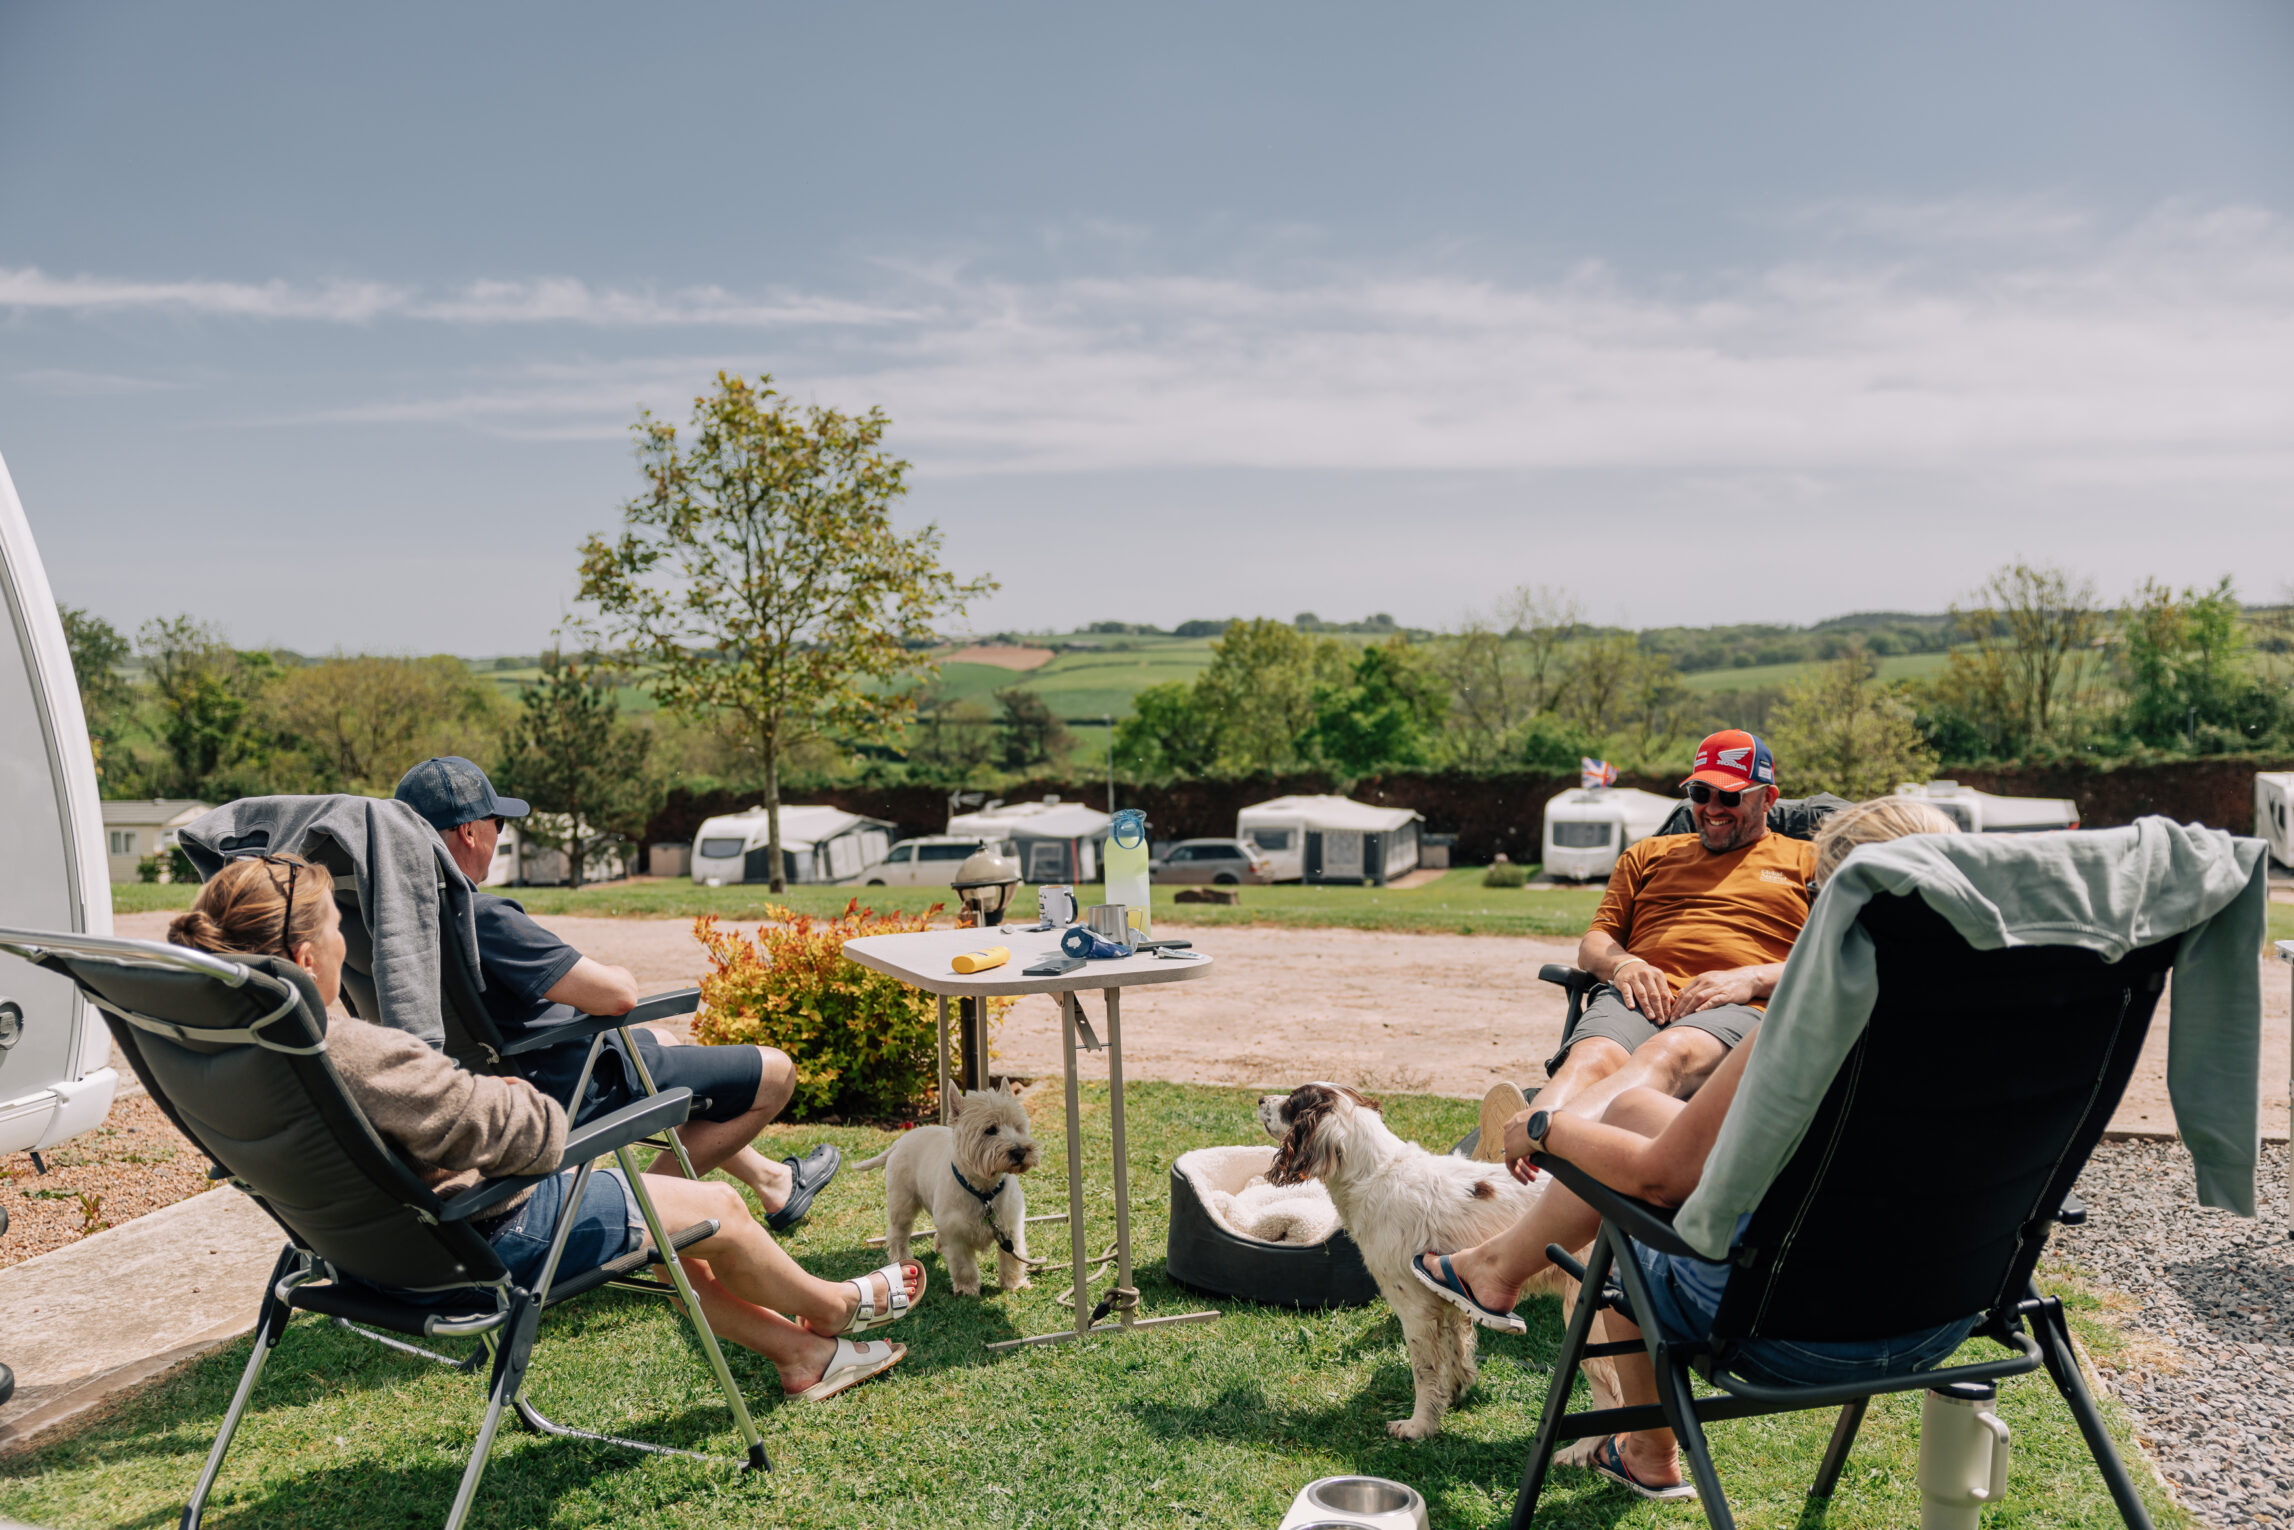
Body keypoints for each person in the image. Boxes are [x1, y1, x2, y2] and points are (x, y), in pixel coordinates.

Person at [167, 853, 924, 1400]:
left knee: (672, 1226)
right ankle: (833, 1308)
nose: (345, 945)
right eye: (336, 932)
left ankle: (803, 1354)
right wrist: (502, 1095)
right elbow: (537, 1137)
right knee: (716, 1211)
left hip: (358, 1260)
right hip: (489, 1241)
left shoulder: (230, 1056)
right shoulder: (354, 1052)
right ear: (304, 956)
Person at [1421, 795, 1961, 1498]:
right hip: (1941, 1312)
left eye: (1816, 896)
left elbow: (1657, 1181)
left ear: (1836, 902)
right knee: (1643, 1105)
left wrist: (1551, 1129)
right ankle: (1494, 1266)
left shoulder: (1813, 1016)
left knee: (1623, 1204)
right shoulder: (2011, 1013)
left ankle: (1637, 1434)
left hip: (1786, 1323)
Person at [392, 757, 839, 1229]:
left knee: (663, 1043)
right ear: (467, 832)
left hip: (494, 1087)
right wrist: (618, 974)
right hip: (568, 1086)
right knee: (778, 1073)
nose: (499, 834)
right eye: (497, 822)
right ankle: (659, 1220)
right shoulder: (484, 918)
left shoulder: (395, 927)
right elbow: (617, 996)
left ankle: (772, 1182)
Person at [1477, 730, 1816, 1161]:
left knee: (1666, 1054)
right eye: (1700, 791)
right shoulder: (1647, 854)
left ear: (1768, 798)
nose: (1712, 808)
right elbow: (1596, 941)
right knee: (1592, 1058)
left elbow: (1832, 963)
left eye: (1729, 798)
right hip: (1640, 995)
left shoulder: (1808, 862)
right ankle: (1519, 1154)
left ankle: (1533, 1135)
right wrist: (1623, 966)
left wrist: (1751, 979)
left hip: (1739, 1007)